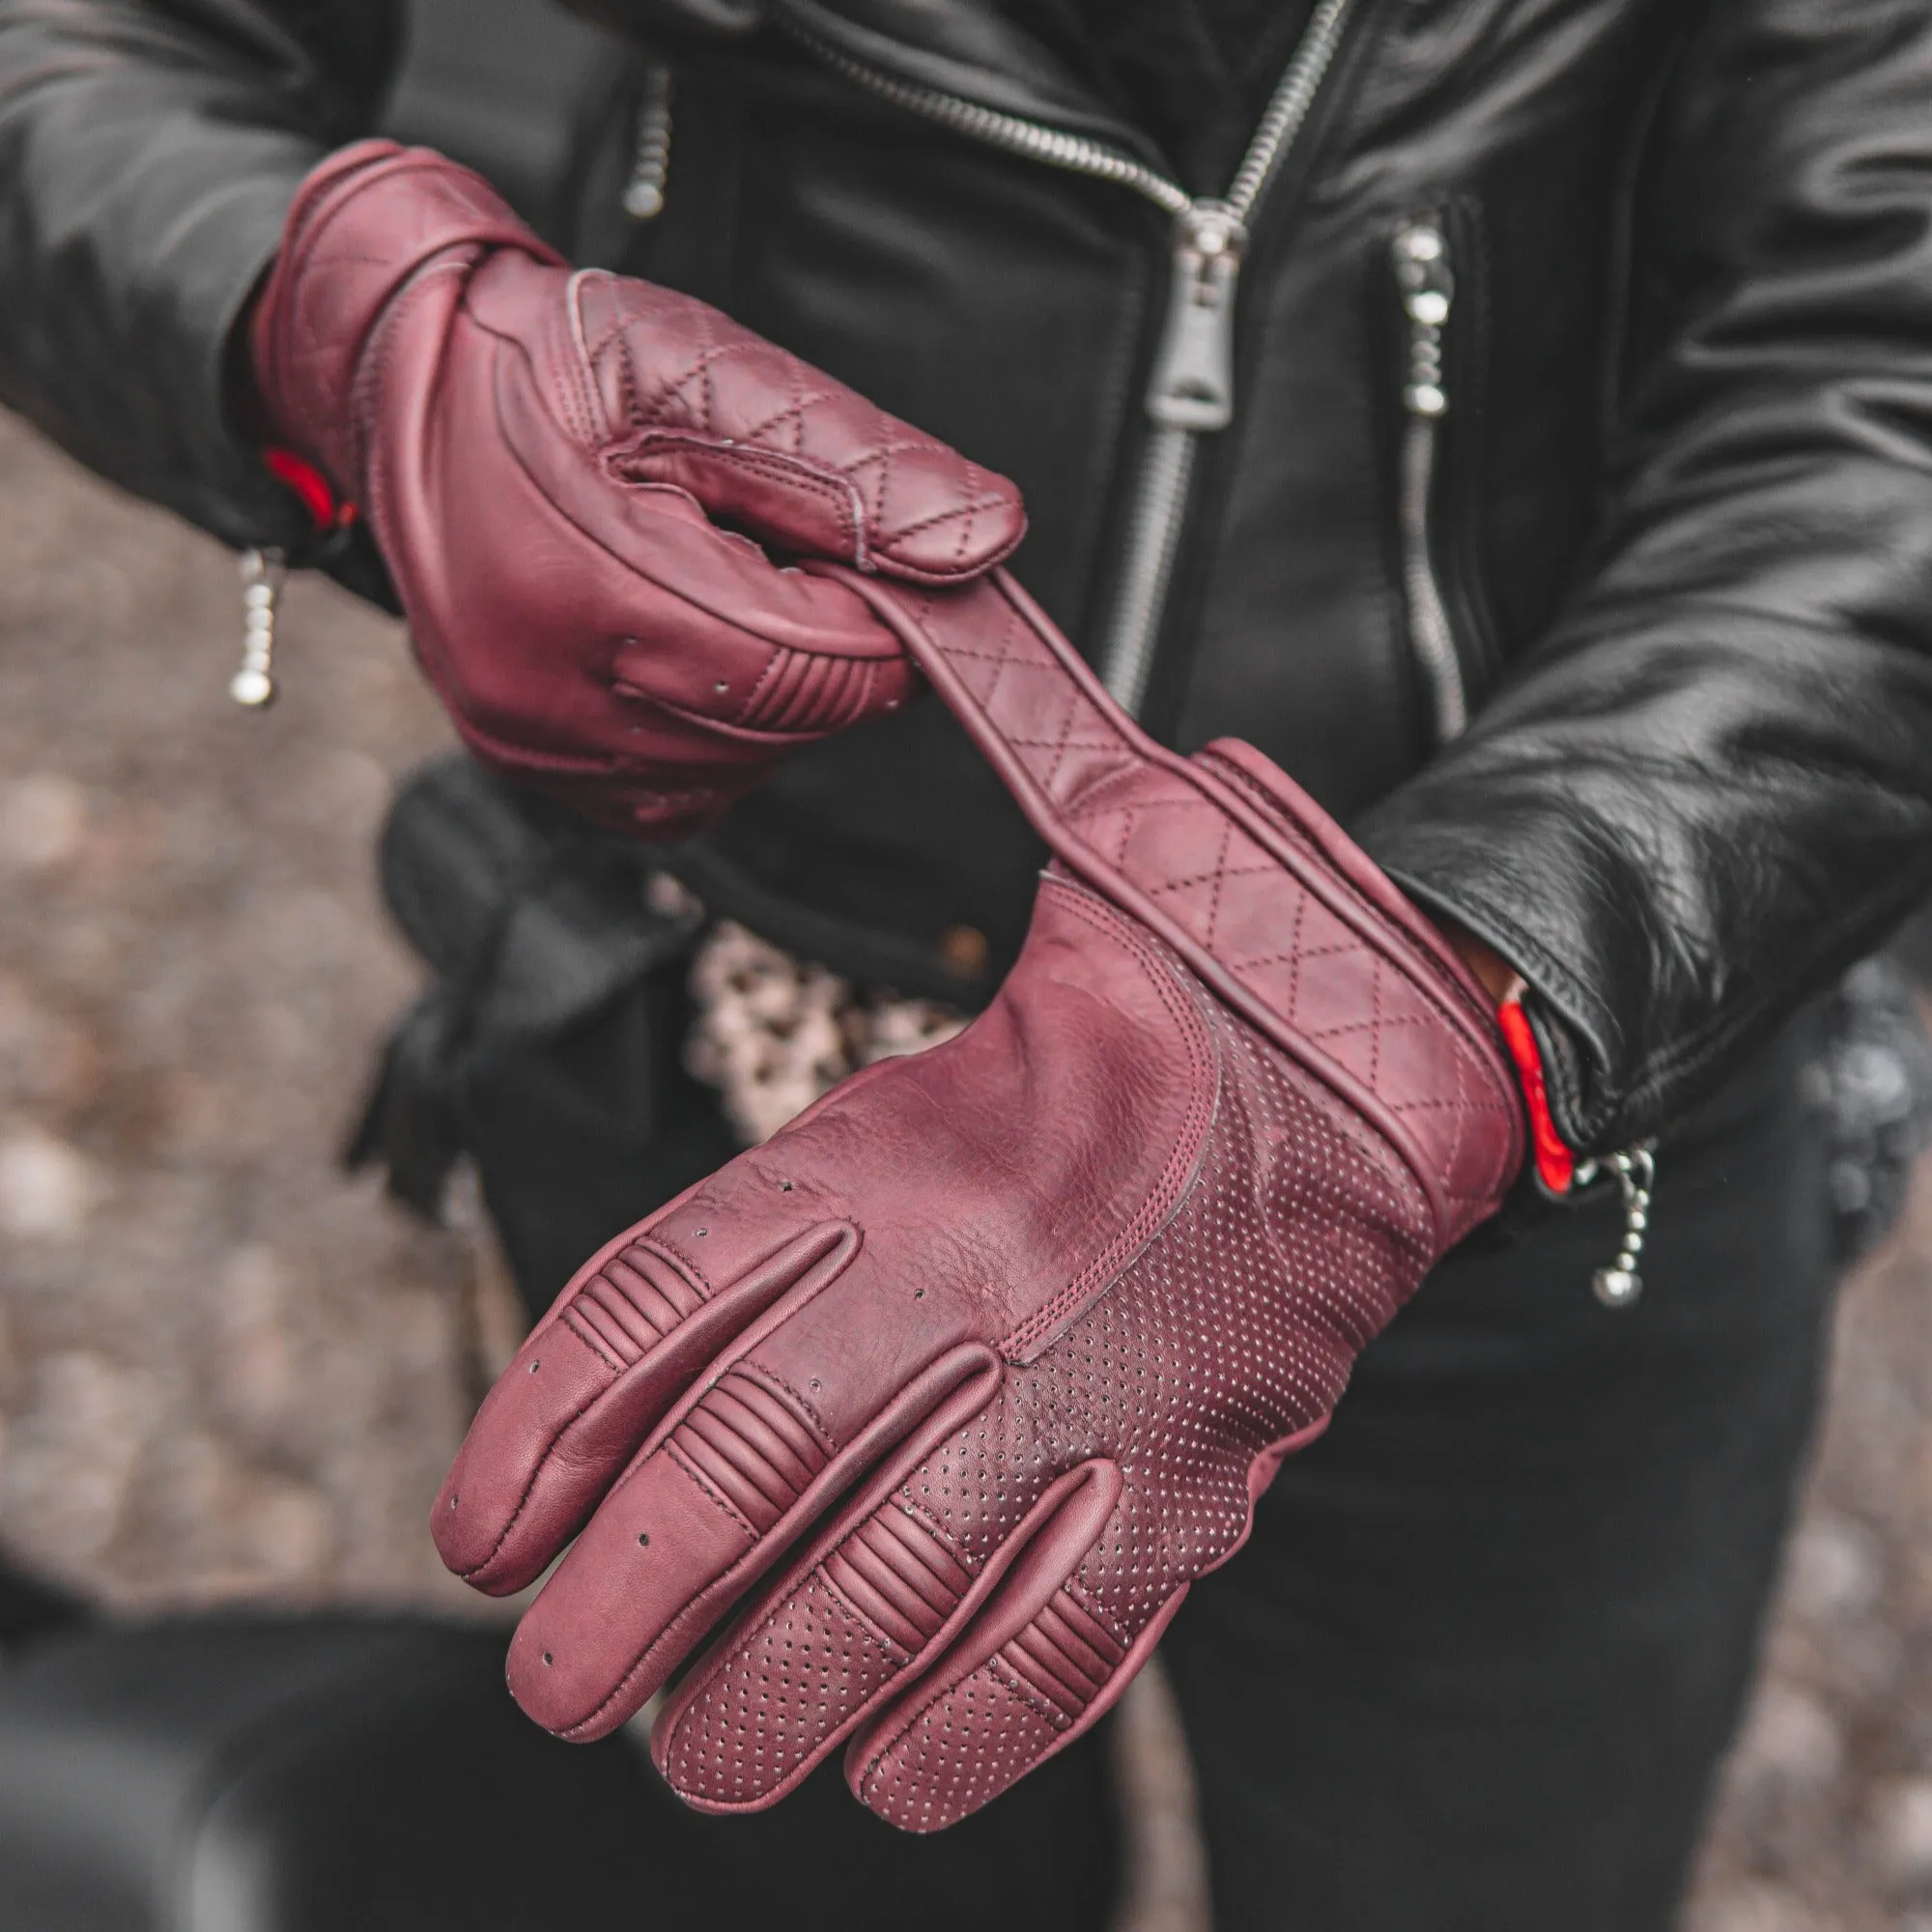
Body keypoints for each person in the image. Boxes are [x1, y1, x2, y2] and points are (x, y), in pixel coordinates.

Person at [1, 2, 1930, 1925]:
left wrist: (1425, 991)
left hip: (1502, 1100)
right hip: (740, 1059)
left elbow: (1881, 355)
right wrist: (352, 333)